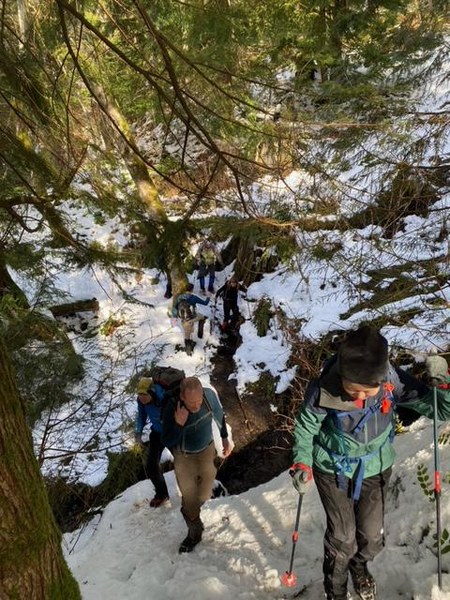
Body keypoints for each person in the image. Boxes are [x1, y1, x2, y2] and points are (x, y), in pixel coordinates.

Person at [290, 325, 450, 600]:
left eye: (367, 392)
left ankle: (359, 566)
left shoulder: (393, 381)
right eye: (353, 391)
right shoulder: (323, 389)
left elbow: (441, 409)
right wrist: (302, 463)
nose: (360, 398)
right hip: (332, 467)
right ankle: (336, 592)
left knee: (372, 538)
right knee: (343, 538)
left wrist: (443, 384)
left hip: (375, 466)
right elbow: (305, 428)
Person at [161, 376, 232, 553]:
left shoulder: (208, 397)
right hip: (184, 458)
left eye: (198, 400)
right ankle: (195, 532)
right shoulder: (172, 408)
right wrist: (178, 424)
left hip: (207, 450)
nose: (196, 405)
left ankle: (192, 507)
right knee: (190, 501)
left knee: (204, 492)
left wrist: (224, 438)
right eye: (191, 402)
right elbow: (166, 440)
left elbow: (219, 415)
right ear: (182, 397)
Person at [134, 377, 170, 507]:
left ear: (152, 392)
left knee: (182, 462)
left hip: (172, 432)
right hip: (157, 432)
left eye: (145, 395)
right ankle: (162, 494)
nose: (142, 398)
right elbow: (141, 416)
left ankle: (191, 491)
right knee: (151, 465)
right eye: (140, 395)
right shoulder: (141, 401)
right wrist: (138, 432)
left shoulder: (164, 398)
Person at [172, 283, 210, 355]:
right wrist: (208, 297)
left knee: (187, 335)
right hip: (192, 318)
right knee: (202, 317)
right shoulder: (194, 297)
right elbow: (205, 303)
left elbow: (175, 308)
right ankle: (199, 336)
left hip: (183, 319)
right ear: (192, 289)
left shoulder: (180, 297)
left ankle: (188, 349)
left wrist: (174, 318)